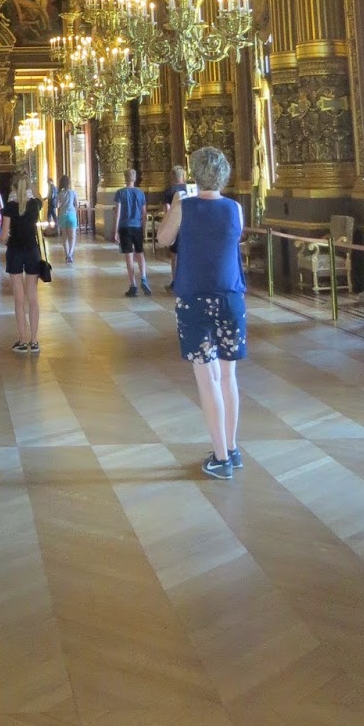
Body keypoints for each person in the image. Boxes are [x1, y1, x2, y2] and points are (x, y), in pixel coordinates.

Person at [155, 146, 246, 481]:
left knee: (207, 379)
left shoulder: (186, 206)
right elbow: (232, 238)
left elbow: (164, 239)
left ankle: (220, 457)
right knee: (228, 377)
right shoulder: (236, 208)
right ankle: (231, 449)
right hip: (230, 297)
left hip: (195, 299)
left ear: (194, 174)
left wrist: (177, 206)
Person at [5, 175, 44, 352]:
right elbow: (39, 196)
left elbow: (3, 234)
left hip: (15, 251)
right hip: (32, 251)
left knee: (19, 299)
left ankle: (22, 340)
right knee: (33, 298)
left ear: (13, 187)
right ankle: (34, 341)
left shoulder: (10, 207)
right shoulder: (35, 205)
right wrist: (32, 185)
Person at [113, 168, 150, 296]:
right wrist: (144, 228)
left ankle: (133, 285)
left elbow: (118, 213)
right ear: (135, 178)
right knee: (140, 253)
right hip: (137, 226)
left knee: (129, 255)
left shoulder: (120, 193)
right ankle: (144, 277)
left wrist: (116, 230)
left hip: (124, 226)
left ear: (125, 178)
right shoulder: (140, 193)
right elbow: (144, 213)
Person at [158, 163, 188, 291]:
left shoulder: (169, 191)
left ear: (172, 177)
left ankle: (175, 281)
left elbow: (167, 211)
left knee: (174, 255)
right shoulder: (190, 188)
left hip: (176, 226)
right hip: (189, 225)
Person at [55, 173, 78, 263]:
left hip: (62, 215)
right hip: (72, 215)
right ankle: (70, 255)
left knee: (64, 237)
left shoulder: (59, 193)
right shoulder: (73, 192)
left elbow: (57, 205)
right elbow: (76, 204)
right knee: (72, 237)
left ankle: (66, 254)